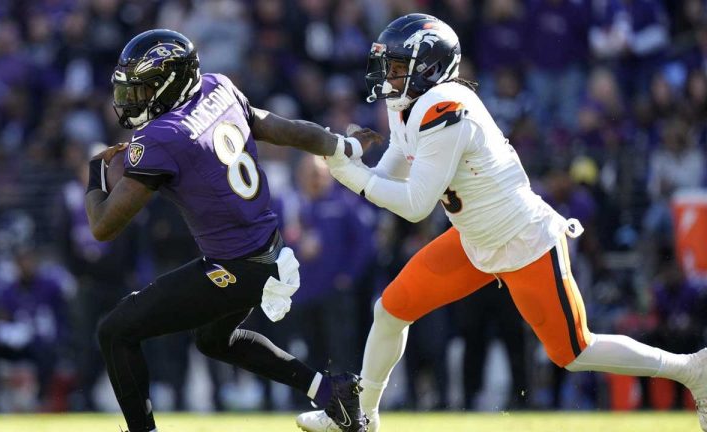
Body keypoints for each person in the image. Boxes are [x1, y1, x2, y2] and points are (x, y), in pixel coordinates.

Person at [295, 13, 707, 432]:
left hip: (522, 240)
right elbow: (387, 180)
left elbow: (415, 205)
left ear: (429, 69)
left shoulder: (445, 107)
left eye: (398, 68)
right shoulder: (410, 106)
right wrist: (348, 159)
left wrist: (350, 174)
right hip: (474, 241)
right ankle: (361, 417)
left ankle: (692, 369)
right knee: (390, 311)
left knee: (575, 351)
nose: (388, 77)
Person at [85, 29, 379, 432]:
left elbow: (102, 227)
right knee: (213, 339)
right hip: (266, 251)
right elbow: (284, 128)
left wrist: (95, 174)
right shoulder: (218, 89)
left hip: (237, 265)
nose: (132, 100)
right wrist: (343, 146)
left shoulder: (161, 138)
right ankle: (333, 396)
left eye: (142, 89)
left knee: (115, 331)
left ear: (169, 85)